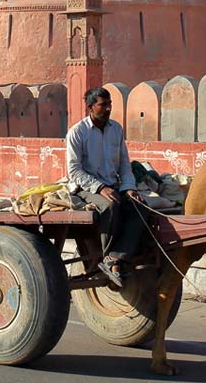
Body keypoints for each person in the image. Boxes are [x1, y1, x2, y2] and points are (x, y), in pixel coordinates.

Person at [65, 87, 145, 287]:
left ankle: (115, 257)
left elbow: (124, 164)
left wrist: (129, 187)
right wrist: (100, 188)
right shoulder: (77, 132)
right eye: (103, 105)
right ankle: (107, 256)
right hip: (86, 187)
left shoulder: (116, 129)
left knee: (140, 207)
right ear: (91, 107)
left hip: (113, 184)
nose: (108, 108)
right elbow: (74, 171)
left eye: (110, 104)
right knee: (110, 206)